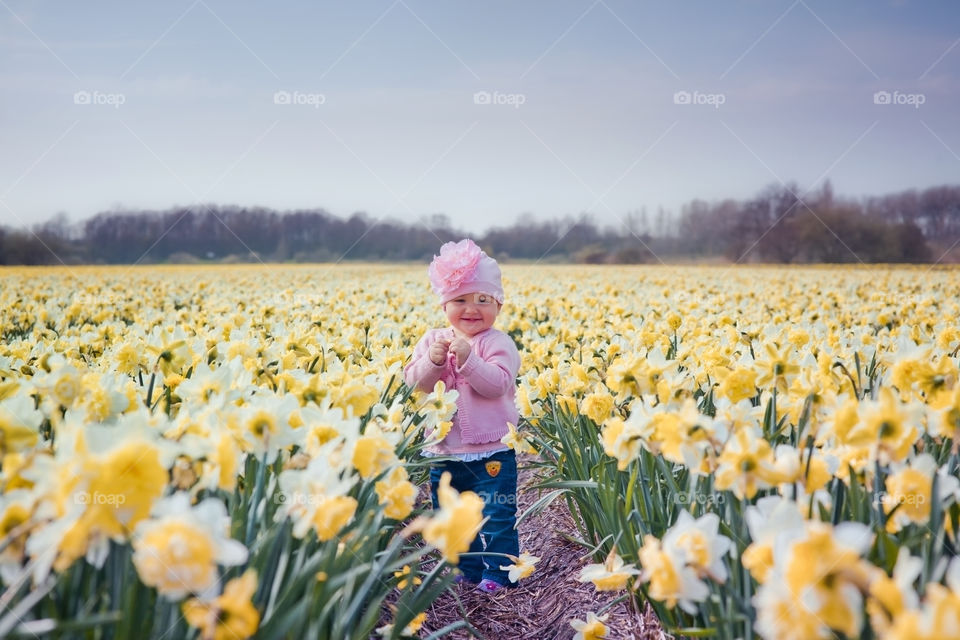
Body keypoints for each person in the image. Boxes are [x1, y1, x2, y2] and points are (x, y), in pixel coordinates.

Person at [404, 238, 521, 594]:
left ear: (498, 305)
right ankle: (465, 570)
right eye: (460, 300)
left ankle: (500, 574)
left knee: (497, 515)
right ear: (444, 305)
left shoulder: (498, 343)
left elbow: (498, 384)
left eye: (483, 300)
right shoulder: (432, 340)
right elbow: (414, 384)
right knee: (453, 516)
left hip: (492, 450)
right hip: (444, 451)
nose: (472, 308)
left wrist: (469, 360)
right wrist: (433, 362)